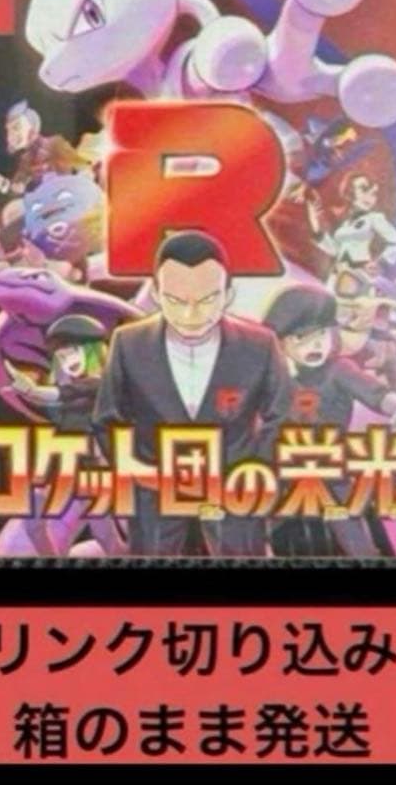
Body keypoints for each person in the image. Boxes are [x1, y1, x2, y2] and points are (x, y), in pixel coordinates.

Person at [92, 231, 291, 557]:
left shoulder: (260, 344)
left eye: (207, 299)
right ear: (156, 294)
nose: (191, 315)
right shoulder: (128, 342)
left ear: (228, 295)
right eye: (176, 300)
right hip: (155, 489)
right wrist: (134, 467)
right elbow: (107, 417)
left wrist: (255, 470)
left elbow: (282, 414)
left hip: (234, 489)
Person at [262, 284, 396, 557]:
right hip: (279, 462)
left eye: (322, 334)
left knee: (349, 521)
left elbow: (375, 394)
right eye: (301, 338)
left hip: (328, 461)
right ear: (279, 340)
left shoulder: (337, 369)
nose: (315, 344)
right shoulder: (272, 375)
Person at [0, 314, 126, 557]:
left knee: (105, 535)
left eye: (74, 352)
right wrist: (28, 391)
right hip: (62, 453)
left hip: (90, 459)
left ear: (92, 352)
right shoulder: (70, 386)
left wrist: (32, 390)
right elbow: (54, 397)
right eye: (63, 355)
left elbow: (59, 394)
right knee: (33, 523)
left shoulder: (99, 383)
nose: (68, 360)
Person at [307, 171, 396, 289]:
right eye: (364, 189)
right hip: (337, 275)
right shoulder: (345, 224)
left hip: (359, 275)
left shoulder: (374, 218)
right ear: (350, 193)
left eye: (373, 192)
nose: (370, 196)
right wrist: (315, 224)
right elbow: (335, 250)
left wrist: (380, 263)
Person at [0, 100, 90, 195]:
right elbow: (15, 188)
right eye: (9, 130)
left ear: (32, 126)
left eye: (16, 127)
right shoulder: (26, 160)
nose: (11, 136)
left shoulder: (54, 144)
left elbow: (83, 167)